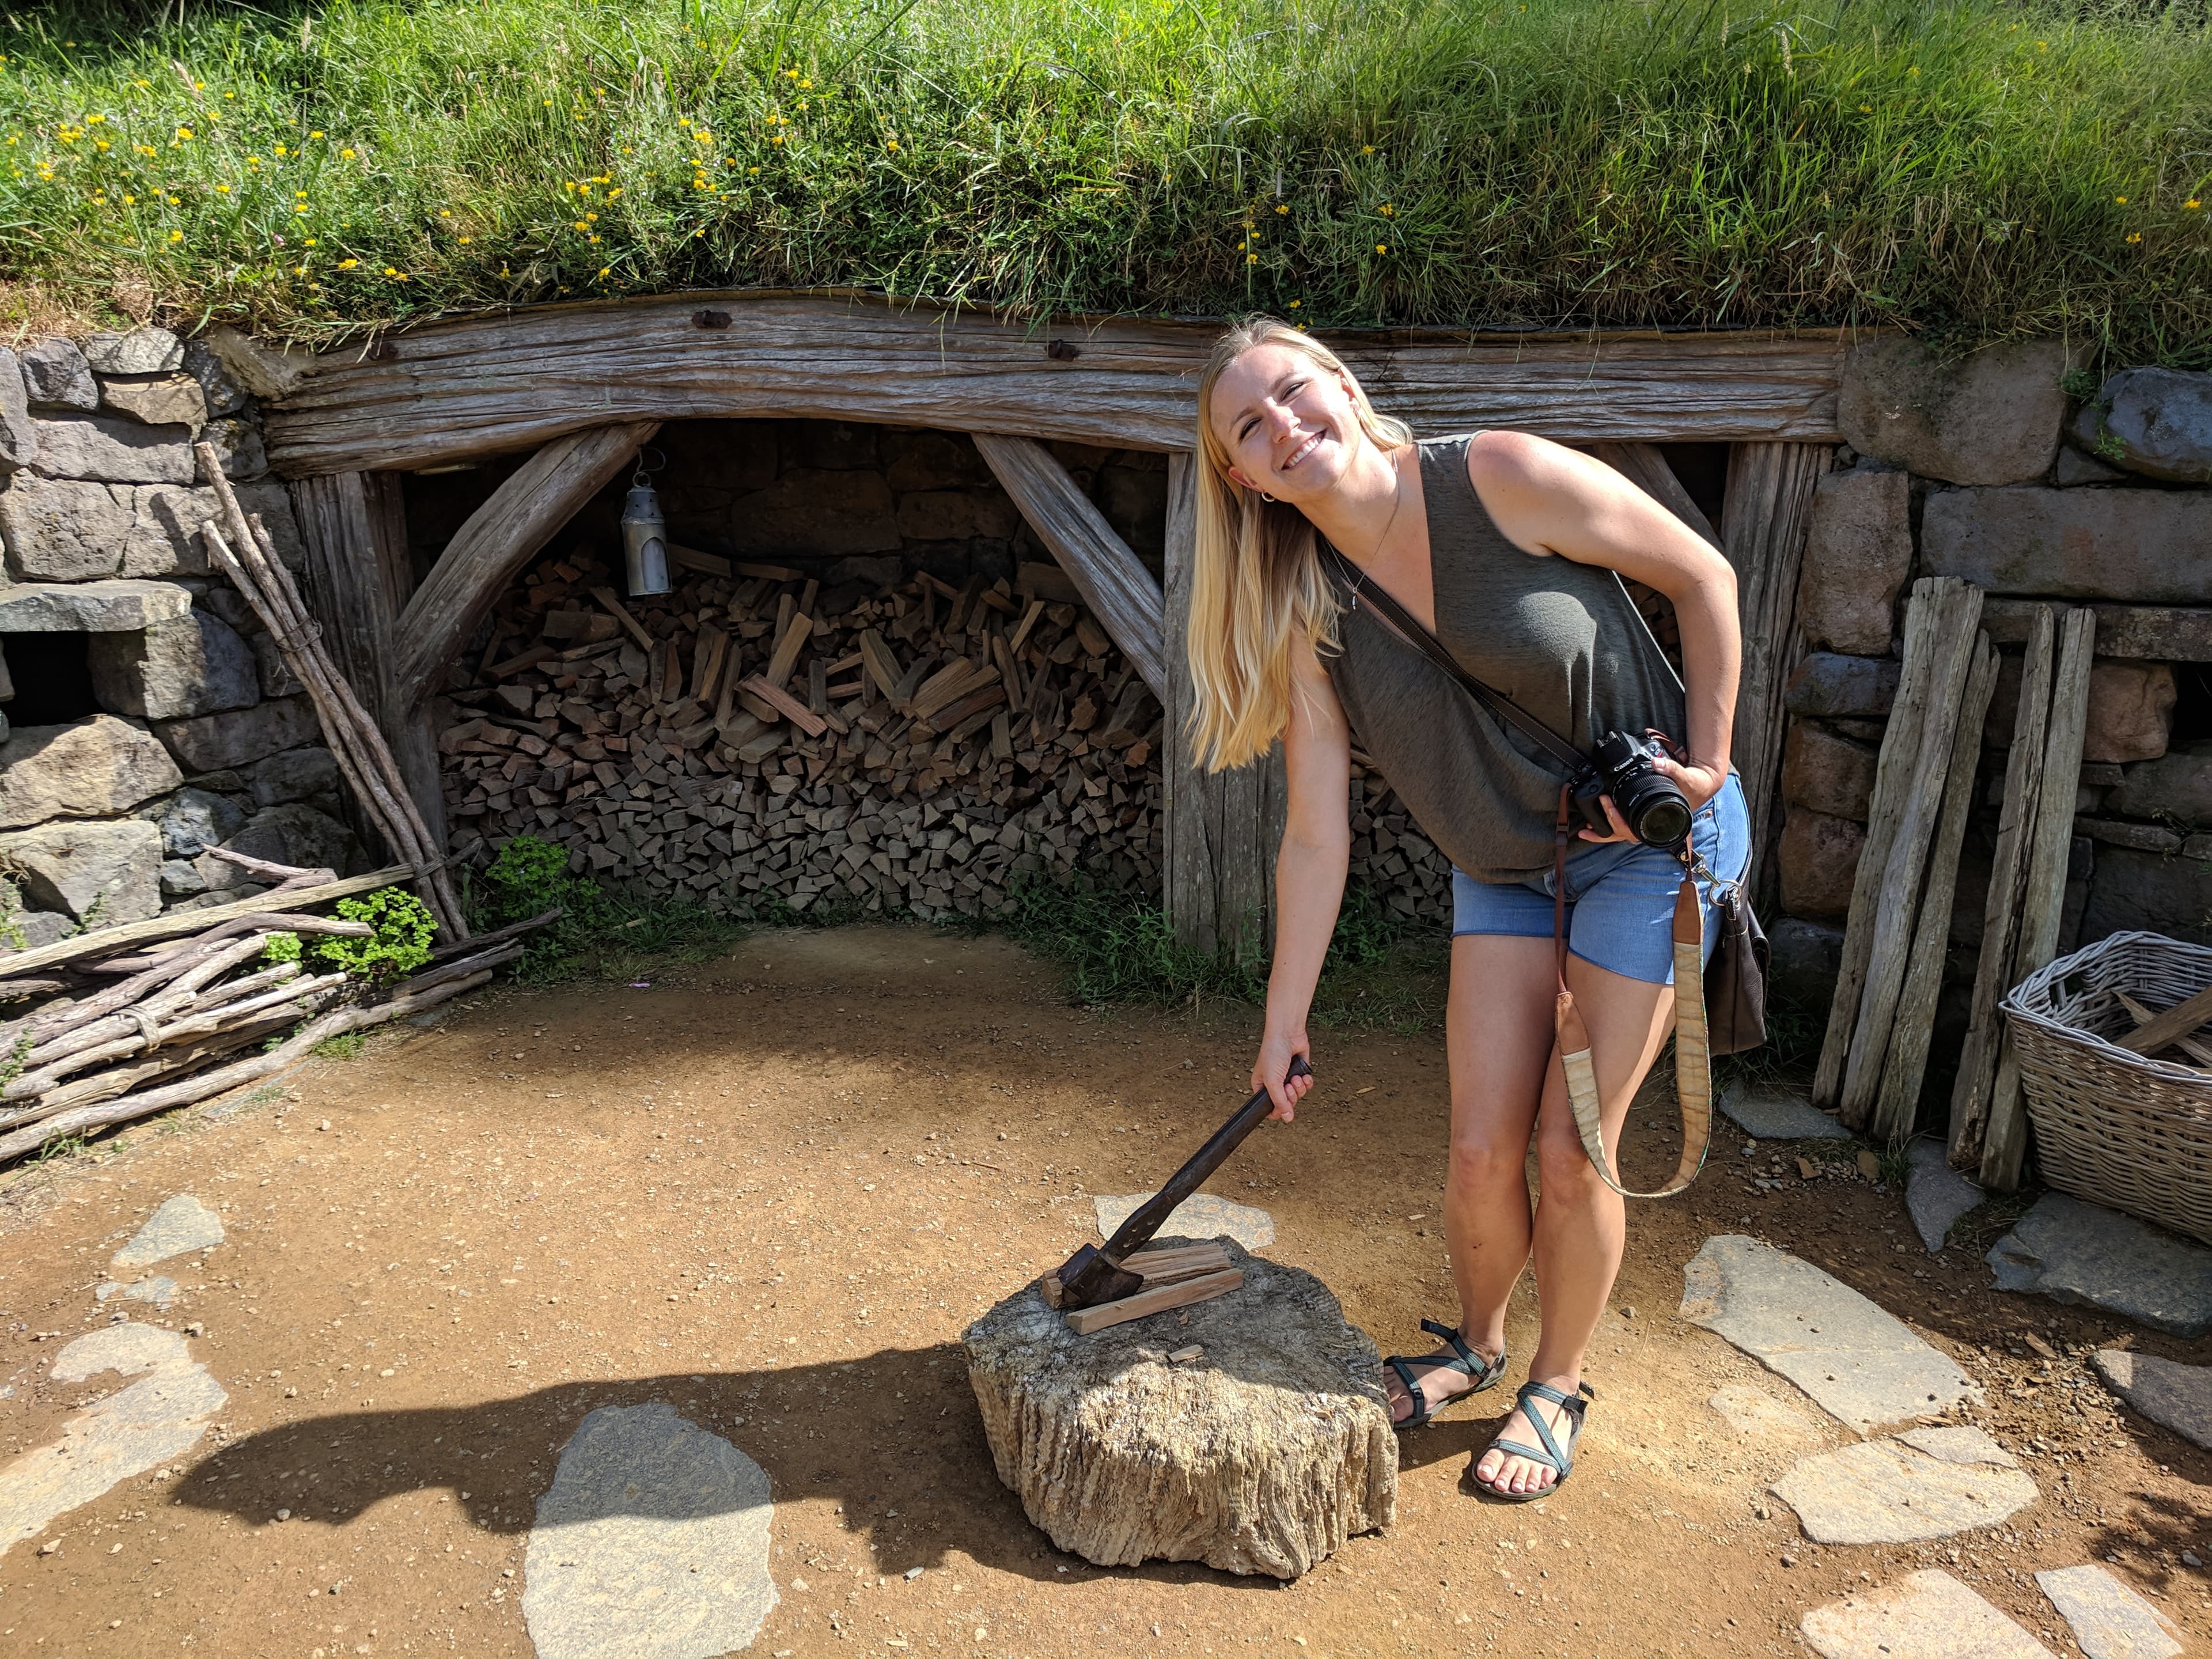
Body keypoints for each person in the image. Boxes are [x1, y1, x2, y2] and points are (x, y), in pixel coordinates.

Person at [1187, 317, 1749, 1501]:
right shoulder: (1307, 611)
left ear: (1342, 386)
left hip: (1649, 852)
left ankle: (1556, 1382)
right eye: (1253, 425)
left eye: (1296, 392)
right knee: (1481, 1145)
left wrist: (1706, 763)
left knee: (1570, 1144)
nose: (1287, 427)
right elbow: (1314, 832)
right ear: (1241, 475)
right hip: (1502, 863)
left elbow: (1706, 574)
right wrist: (1283, 1017)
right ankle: (1478, 1346)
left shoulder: (1496, 475)